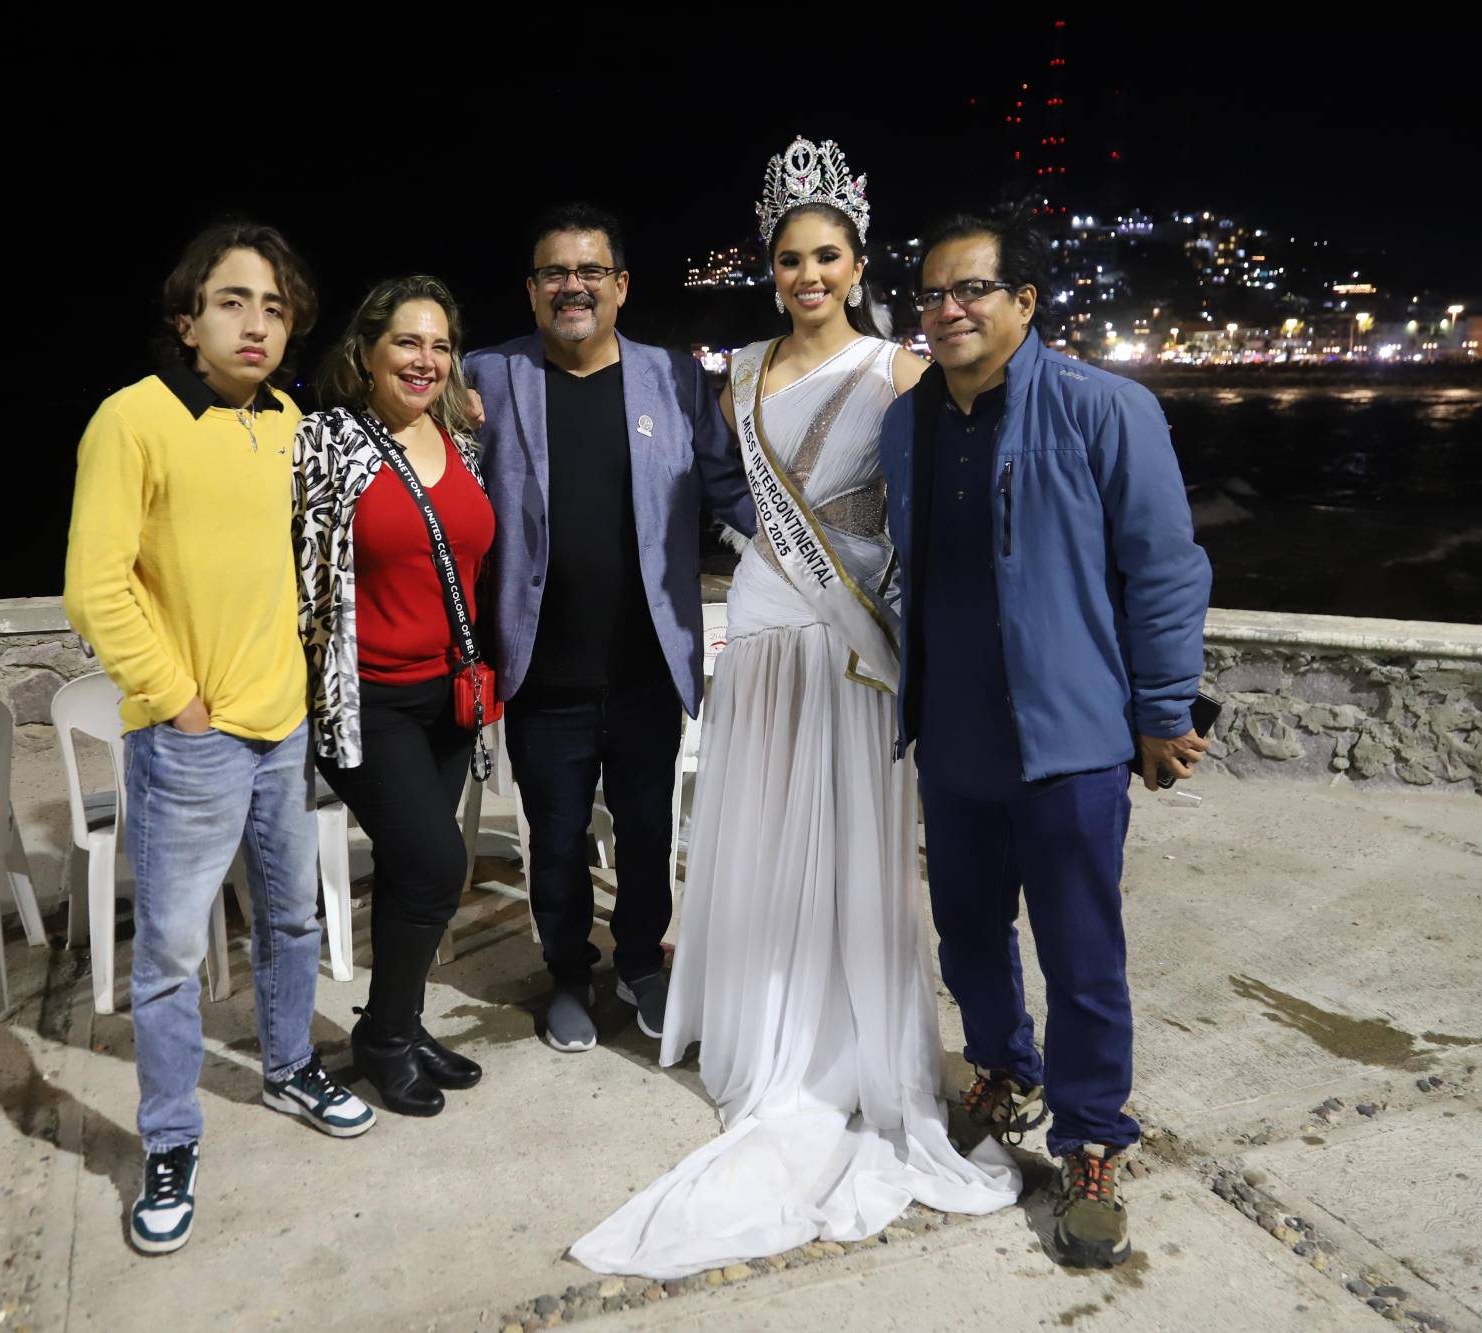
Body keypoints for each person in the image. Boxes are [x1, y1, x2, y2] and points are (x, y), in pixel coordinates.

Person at [571, 139, 1020, 1280]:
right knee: (764, 830)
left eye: (824, 256)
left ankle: (844, 1045)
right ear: (768, 268)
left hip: (854, 639)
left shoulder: (899, 371)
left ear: (857, 261)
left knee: (851, 838)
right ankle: (762, 1026)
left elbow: (928, 519)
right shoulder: (737, 371)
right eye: (786, 259)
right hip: (766, 627)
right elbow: (718, 495)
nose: (804, 275)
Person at [881, 206, 1212, 1268]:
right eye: (932, 291)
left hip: (1067, 739)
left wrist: (1162, 710)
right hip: (952, 730)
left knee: (1079, 954)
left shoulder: (1101, 408)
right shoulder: (907, 424)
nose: (948, 308)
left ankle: (1090, 1140)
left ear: (1024, 301)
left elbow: (1163, 567)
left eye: (971, 288)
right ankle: (1001, 1066)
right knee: (968, 933)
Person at [63, 220, 375, 1258]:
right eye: (233, 301)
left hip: (282, 729)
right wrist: (174, 696)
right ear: (186, 316)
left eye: (275, 307)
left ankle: (286, 1068)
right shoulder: (134, 419)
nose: (256, 323)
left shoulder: (291, 420)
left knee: (290, 925)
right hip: (191, 740)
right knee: (167, 958)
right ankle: (167, 1139)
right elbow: (95, 582)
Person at [463, 204, 754, 1052]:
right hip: (540, 668)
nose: (573, 286)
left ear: (621, 287)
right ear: (530, 289)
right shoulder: (487, 374)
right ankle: (565, 974)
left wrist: (807, 547)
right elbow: (436, 482)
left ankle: (639, 962)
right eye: (555, 272)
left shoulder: (672, 377)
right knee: (552, 839)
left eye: (591, 271)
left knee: (646, 827)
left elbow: (727, 488)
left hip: (645, 666)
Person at [295, 275, 493, 1117]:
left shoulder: (460, 443)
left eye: (441, 344)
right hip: (366, 698)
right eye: (407, 342)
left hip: (445, 696)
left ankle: (399, 1026)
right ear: (366, 353)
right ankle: (380, 1036)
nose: (426, 359)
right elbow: (294, 576)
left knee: (416, 876)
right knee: (438, 861)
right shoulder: (327, 442)